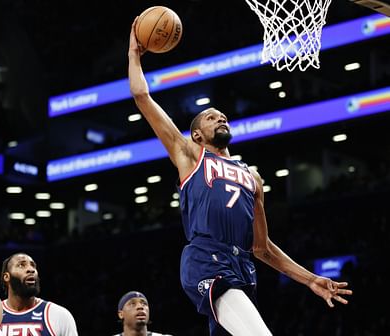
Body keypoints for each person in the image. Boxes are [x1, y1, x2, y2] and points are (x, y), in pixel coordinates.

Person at [127, 18, 353, 336]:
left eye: (222, 115)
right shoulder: (190, 155)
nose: (220, 116)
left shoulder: (253, 178)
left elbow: (262, 249)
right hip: (206, 259)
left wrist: (310, 279)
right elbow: (142, 97)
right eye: (210, 116)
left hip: (242, 270)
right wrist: (134, 53)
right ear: (196, 135)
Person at [0, 252, 78, 336]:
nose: (31, 269)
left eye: (33, 265)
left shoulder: (58, 314)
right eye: (21, 265)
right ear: (7, 277)